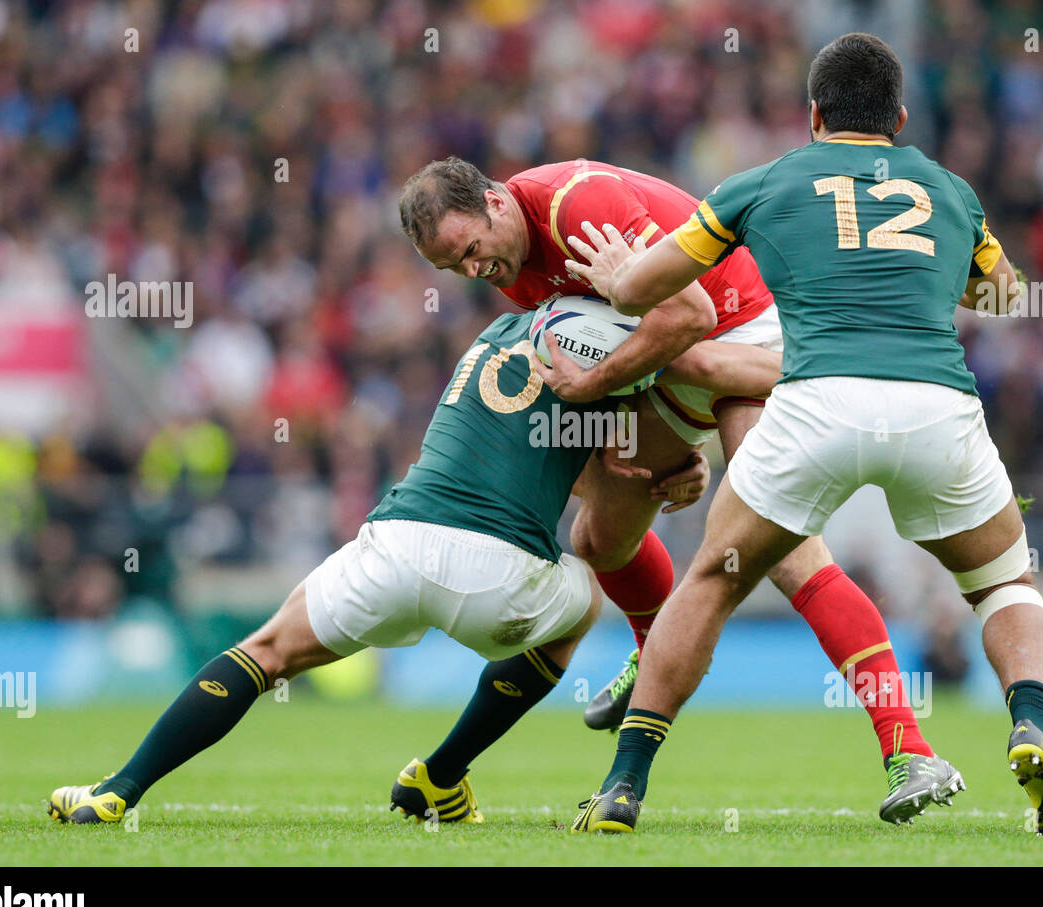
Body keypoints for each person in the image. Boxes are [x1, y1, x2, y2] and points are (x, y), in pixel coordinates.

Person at [565, 33, 1043, 836]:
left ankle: (623, 785)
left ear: (813, 115)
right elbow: (1004, 295)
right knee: (1004, 584)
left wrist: (613, 279)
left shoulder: (765, 182)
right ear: (901, 118)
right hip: (935, 405)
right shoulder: (949, 190)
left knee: (711, 581)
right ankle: (1032, 727)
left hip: (815, 404)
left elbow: (645, 287)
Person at [399, 156, 958, 824]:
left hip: (746, 324)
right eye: (450, 269)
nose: (470, 272)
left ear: (494, 203)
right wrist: (625, 446)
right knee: (599, 538)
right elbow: (606, 360)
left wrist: (614, 392)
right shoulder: (511, 265)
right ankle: (654, 648)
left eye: (468, 251)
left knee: (780, 550)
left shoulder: (578, 205)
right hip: (672, 359)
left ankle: (909, 748)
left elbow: (686, 315)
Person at [46, 304, 709, 825]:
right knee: (584, 602)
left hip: (396, 544)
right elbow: (605, 483)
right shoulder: (611, 340)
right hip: (502, 586)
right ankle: (442, 774)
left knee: (266, 651)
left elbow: (521, 447)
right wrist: (674, 467)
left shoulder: (497, 333)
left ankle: (118, 789)